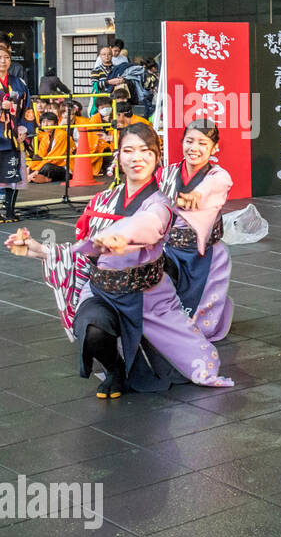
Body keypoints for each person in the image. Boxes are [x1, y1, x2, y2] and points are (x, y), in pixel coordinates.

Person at [4, 123, 232, 398]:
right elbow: (83, 248)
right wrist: (37, 249)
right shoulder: (103, 199)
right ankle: (115, 370)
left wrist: (121, 235)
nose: (137, 158)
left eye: (145, 151)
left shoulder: (159, 204)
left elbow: (149, 224)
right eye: (129, 150)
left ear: (157, 157)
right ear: (119, 157)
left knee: (198, 359)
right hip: (102, 290)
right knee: (92, 329)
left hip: (148, 296)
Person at [158, 120, 234, 342]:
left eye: (203, 143)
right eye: (189, 141)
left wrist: (197, 195)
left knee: (202, 328)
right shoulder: (167, 174)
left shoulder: (219, 176)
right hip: (170, 250)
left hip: (205, 255)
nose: (194, 148)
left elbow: (211, 187)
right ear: (181, 142)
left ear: (215, 148)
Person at [0, 44, 33, 222]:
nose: (3, 61)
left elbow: (27, 108)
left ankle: (10, 211)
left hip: (13, 136)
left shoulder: (18, 83)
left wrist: (24, 128)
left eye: (6, 58)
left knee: (12, 173)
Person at [27, 110, 70, 183]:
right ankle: (39, 177)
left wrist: (36, 170)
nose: (46, 124)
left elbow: (54, 158)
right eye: (43, 122)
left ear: (56, 123)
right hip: (51, 164)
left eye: (49, 121)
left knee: (47, 167)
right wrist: (30, 168)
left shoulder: (62, 134)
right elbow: (40, 155)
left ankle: (40, 177)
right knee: (27, 164)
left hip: (65, 167)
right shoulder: (45, 136)